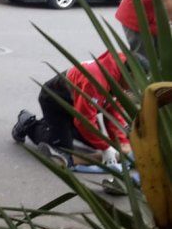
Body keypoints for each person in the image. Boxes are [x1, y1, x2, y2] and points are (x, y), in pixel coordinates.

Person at [11, 51, 139, 167]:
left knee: (96, 142)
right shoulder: (96, 81)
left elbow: (113, 111)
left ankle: (61, 126)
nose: (137, 87)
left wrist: (121, 142)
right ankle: (29, 124)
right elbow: (84, 120)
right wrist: (105, 148)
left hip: (80, 106)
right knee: (64, 148)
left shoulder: (121, 76)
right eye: (135, 82)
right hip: (55, 100)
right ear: (128, 74)